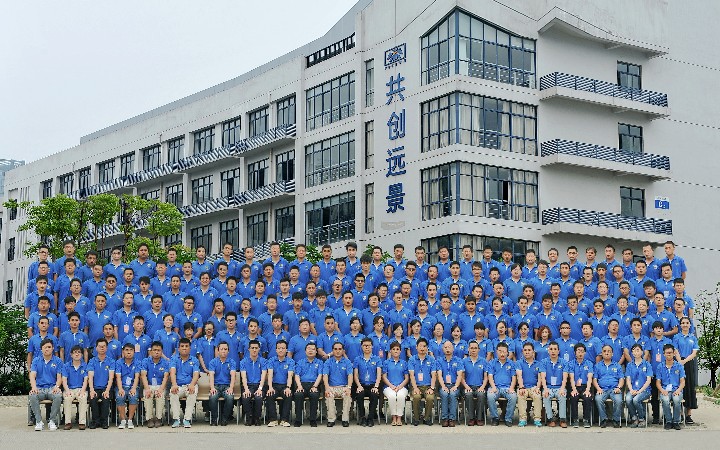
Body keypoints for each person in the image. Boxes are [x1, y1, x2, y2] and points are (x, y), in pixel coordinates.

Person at [29, 338, 63, 431]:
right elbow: (32, 375)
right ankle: (39, 421)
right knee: (32, 395)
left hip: (52, 388)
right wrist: (34, 387)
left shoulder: (58, 361)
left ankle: (52, 421)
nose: (47, 349)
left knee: (58, 396)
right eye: (45, 347)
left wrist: (57, 386)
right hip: (40, 388)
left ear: (53, 348)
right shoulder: (36, 360)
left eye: (49, 347)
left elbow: (59, 377)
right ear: (41, 349)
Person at [169, 337, 200, 428]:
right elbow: (172, 372)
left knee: (192, 393)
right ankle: (176, 419)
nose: (184, 348)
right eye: (182, 346)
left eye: (186, 346)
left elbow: (196, 374)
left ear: (190, 348)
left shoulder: (194, 360)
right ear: (178, 348)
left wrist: (192, 385)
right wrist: (174, 384)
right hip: (178, 385)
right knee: (173, 393)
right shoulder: (174, 359)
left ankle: (187, 419)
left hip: (190, 385)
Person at [673, 316, 698, 424]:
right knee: (679, 386)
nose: (685, 325)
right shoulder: (676, 337)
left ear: (690, 325)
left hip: (689, 363)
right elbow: (675, 350)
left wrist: (685, 361)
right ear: (680, 325)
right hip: (678, 363)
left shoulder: (693, 337)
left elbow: (694, 352)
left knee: (689, 387)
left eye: (687, 323)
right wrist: (680, 361)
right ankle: (680, 414)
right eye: (683, 323)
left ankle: (688, 414)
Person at [592, 345, 624, 428]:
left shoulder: (617, 365)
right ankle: (604, 419)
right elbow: (594, 379)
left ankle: (615, 420)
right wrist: (598, 388)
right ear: (602, 353)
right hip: (602, 389)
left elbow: (621, 379)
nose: (607, 353)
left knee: (619, 400)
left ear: (612, 354)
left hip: (614, 389)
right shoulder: (597, 366)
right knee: (598, 399)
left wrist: (619, 387)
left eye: (609, 351)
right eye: (604, 351)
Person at [322, 342, 353, 427]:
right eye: (335, 349)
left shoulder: (347, 362)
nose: (337, 351)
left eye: (340, 349)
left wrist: (349, 387)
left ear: (343, 350)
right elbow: (325, 375)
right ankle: (331, 419)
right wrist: (327, 388)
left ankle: (345, 419)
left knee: (348, 395)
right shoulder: (328, 362)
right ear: (332, 351)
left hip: (344, 387)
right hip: (332, 387)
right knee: (328, 395)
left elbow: (350, 375)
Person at [487, 342, 517, 426]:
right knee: (490, 396)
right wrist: (493, 387)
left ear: (508, 352)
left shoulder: (511, 363)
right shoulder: (492, 363)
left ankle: (508, 418)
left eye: (504, 351)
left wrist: (511, 388)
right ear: (496, 352)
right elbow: (490, 376)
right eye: (500, 351)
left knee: (513, 397)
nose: (502, 354)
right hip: (495, 387)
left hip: (507, 387)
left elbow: (514, 377)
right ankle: (495, 418)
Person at [265, 340, 295, 427]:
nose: (281, 350)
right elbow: (270, 375)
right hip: (274, 385)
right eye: (279, 348)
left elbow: (290, 376)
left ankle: (284, 420)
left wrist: (288, 388)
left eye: (283, 348)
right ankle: (273, 419)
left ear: (286, 350)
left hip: (285, 385)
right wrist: (270, 387)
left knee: (288, 395)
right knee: (269, 395)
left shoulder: (290, 361)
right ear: (276, 350)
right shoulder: (271, 361)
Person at [293, 342, 323, 427]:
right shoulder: (300, 362)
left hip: (314, 384)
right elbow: (297, 375)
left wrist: (315, 386)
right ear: (305, 351)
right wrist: (299, 386)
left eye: (313, 349)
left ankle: (313, 419)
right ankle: (298, 420)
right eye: (308, 349)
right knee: (298, 395)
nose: (310, 351)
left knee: (314, 395)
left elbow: (320, 375)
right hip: (302, 384)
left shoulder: (320, 362)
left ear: (316, 352)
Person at [141, 341, 170, 428]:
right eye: (154, 350)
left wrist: (161, 389)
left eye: (158, 350)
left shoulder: (165, 363)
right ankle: (149, 419)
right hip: (149, 385)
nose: (156, 352)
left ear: (161, 352)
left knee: (160, 395)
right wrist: (147, 389)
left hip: (160, 386)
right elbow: (143, 375)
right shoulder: (145, 361)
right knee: (147, 395)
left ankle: (158, 418)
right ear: (151, 351)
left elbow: (166, 377)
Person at [656, 343, 685, 430]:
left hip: (676, 389)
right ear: (664, 354)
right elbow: (658, 382)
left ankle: (676, 421)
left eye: (670, 352)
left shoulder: (679, 366)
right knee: (665, 400)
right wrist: (662, 390)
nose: (669, 354)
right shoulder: (660, 366)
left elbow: (682, 382)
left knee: (676, 400)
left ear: (674, 353)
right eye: (667, 353)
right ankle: (668, 421)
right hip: (665, 390)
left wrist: (678, 390)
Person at [354, 337, 382, 427]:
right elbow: (355, 375)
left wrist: (376, 386)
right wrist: (359, 386)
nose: (367, 347)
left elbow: (379, 374)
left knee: (374, 395)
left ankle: (370, 418)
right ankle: (362, 417)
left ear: (372, 346)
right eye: (365, 345)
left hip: (373, 384)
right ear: (361, 347)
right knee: (360, 395)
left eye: (369, 345)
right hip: (361, 384)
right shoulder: (357, 359)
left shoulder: (377, 359)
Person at [208, 341, 237, 426]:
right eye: (221, 349)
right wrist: (212, 388)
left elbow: (233, 376)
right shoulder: (213, 362)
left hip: (227, 386)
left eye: (225, 349)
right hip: (216, 386)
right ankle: (214, 419)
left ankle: (225, 418)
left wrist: (231, 388)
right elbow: (211, 376)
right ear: (218, 350)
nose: (223, 351)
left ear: (228, 351)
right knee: (212, 397)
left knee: (230, 397)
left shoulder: (232, 362)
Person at [87, 339, 114, 429]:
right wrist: (91, 390)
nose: (102, 348)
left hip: (106, 387)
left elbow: (111, 377)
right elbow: (90, 377)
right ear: (96, 348)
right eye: (100, 346)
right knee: (93, 398)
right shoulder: (92, 361)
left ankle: (104, 421)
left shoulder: (111, 361)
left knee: (105, 398)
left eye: (104, 346)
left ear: (107, 348)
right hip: (94, 387)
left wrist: (107, 390)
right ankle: (95, 421)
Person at [540, 342, 568, 427]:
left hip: (560, 387)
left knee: (562, 396)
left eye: (555, 349)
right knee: (546, 396)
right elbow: (543, 377)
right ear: (548, 351)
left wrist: (562, 389)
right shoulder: (544, 362)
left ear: (558, 351)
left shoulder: (564, 362)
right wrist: (545, 389)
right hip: (548, 386)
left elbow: (565, 378)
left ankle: (562, 419)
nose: (553, 351)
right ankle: (550, 419)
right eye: (551, 349)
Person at [240, 340, 267, 426]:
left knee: (258, 397)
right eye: (252, 348)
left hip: (259, 385)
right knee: (245, 396)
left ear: (259, 349)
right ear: (248, 349)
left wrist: (260, 389)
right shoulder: (243, 362)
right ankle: (249, 417)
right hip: (248, 385)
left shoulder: (263, 361)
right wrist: (246, 389)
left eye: (256, 348)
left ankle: (257, 418)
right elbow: (243, 377)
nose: (254, 350)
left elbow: (263, 376)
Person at [625, 343, 653, 428]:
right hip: (633, 389)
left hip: (645, 390)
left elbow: (648, 380)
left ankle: (641, 418)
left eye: (638, 350)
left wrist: (640, 391)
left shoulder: (647, 364)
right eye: (633, 351)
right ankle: (634, 418)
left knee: (636, 400)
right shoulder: (629, 365)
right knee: (628, 399)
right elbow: (628, 379)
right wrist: (631, 389)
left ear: (642, 352)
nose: (636, 352)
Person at [61, 345, 88, 430]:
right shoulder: (66, 366)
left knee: (83, 398)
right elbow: (64, 380)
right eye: (75, 352)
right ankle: (68, 422)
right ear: (71, 355)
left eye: (79, 352)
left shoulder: (85, 366)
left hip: (81, 388)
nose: (77, 354)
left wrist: (83, 390)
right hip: (69, 389)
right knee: (67, 398)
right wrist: (67, 390)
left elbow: (86, 380)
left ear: (82, 355)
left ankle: (82, 422)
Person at [515, 342, 542, 427]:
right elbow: (519, 375)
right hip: (523, 387)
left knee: (537, 396)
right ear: (522, 352)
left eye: (529, 350)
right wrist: (521, 387)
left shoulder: (538, 364)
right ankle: (523, 419)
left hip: (534, 387)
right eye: (525, 350)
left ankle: (537, 419)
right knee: (520, 395)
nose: (527, 352)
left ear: (533, 352)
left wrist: (538, 388)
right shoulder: (519, 363)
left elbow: (540, 378)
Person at [383, 341, 410, 426]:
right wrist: (391, 386)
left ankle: (399, 417)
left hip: (402, 387)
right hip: (388, 387)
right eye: (393, 349)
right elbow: (384, 377)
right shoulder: (386, 362)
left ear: (400, 351)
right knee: (392, 396)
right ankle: (393, 417)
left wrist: (400, 386)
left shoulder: (404, 363)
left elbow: (407, 378)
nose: (395, 351)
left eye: (397, 349)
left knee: (401, 396)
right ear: (390, 351)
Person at [462, 339, 487, 426]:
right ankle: (471, 418)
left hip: (480, 386)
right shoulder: (464, 361)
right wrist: (466, 387)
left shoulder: (483, 361)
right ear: (468, 349)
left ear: (478, 349)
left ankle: (479, 418)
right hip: (468, 386)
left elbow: (486, 377)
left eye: (475, 348)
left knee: (481, 394)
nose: (473, 350)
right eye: (471, 348)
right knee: (468, 395)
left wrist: (482, 387)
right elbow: (462, 377)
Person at [114, 343, 140, 429]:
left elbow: (137, 376)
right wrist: (120, 389)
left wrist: (133, 388)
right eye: (127, 350)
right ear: (123, 352)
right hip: (121, 386)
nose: (129, 352)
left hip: (133, 386)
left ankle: (130, 420)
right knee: (120, 397)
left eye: (131, 350)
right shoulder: (118, 362)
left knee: (133, 397)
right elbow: (118, 377)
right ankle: (123, 420)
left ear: (134, 352)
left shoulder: (137, 362)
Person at [568, 343, 593, 428]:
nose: (580, 353)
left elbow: (590, 378)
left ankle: (586, 419)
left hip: (585, 386)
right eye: (578, 351)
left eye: (582, 351)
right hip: (574, 386)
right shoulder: (571, 363)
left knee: (587, 398)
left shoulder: (589, 363)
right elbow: (571, 378)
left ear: (585, 353)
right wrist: (574, 389)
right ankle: (575, 419)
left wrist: (588, 390)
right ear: (575, 353)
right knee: (573, 397)